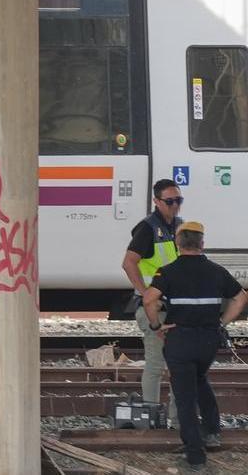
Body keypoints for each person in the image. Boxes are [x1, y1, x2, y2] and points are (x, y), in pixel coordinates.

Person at [143, 221, 248, 469]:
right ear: (202, 244)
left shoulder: (167, 271)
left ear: (178, 244)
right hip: (208, 339)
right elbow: (241, 297)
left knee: (185, 397)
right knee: (200, 378)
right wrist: (222, 322)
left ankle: (195, 455)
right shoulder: (217, 271)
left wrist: (157, 327)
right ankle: (212, 431)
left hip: (180, 339)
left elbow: (149, 300)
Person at [121, 178, 183, 424]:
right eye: (170, 201)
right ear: (157, 201)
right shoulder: (147, 228)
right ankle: (152, 419)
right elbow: (128, 263)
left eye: (179, 200)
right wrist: (146, 293)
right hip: (155, 308)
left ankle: (176, 421)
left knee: (178, 367)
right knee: (157, 365)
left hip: (173, 307)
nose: (175, 206)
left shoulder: (177, 225)